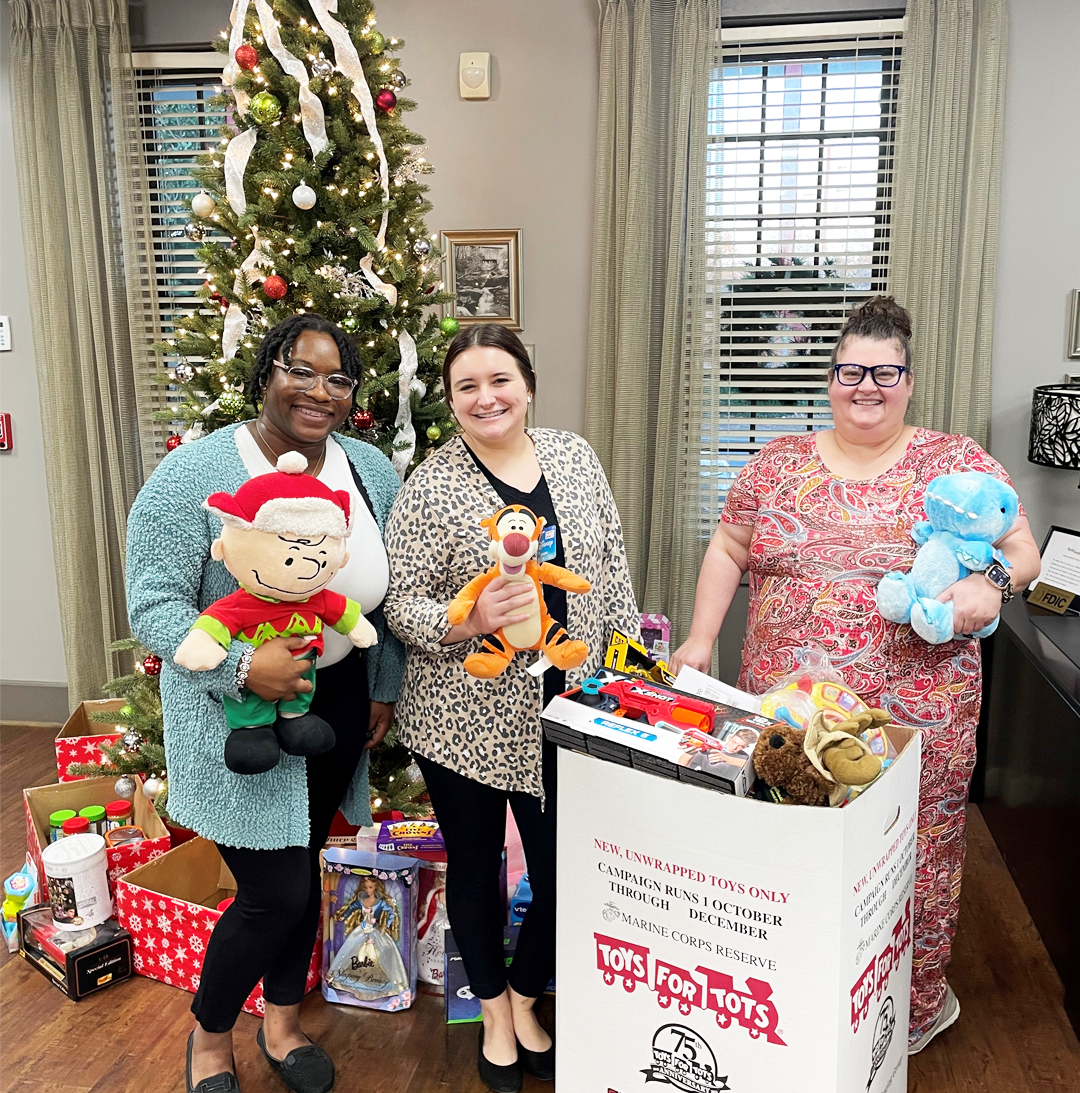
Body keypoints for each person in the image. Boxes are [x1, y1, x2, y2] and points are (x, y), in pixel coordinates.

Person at [671, 296, 1040, 1054]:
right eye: (850, 370)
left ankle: (911, 1008)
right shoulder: (776, 462)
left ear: (908, 379)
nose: (865, 386)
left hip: (919, 711)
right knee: (790, 844)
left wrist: (992, 584)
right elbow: (728, 549)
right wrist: (700, 640)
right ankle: (802, 993)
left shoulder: (956, 462)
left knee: (917, 851)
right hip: (792, 708)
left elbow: (1024, 548)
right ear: (830, 378)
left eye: (884, 371)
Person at [126, 315, 404, 1093]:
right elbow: (152, 603)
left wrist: (381, 688)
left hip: (336, 708)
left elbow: (384, 600)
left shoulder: (370, 470)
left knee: (305, 866)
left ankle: (283, 1025)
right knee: (272, 892)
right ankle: (211, 1041)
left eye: (338, 378)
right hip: (236, 718)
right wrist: (247, 666)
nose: (319, 391)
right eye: (301, 370)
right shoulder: (198, 474)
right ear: (266, 373)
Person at [383, 324, 639, 1092]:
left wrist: (627, 674)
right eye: (467, 386)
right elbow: (400, 604)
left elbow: (613, 568)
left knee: (564, 867)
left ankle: (528, 996)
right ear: (451, 401)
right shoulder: (431, 486)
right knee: (476, 865)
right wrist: (468, 622)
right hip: (461, 718)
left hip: (571, 704)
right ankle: (494, 1012)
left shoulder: (573, 455)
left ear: (527, 384)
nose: (486, 397)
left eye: (500, 380)